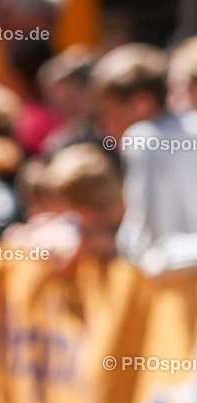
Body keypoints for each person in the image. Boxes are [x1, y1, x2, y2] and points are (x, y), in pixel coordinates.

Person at [93, 43, 197, 275]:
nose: (104, 127)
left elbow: (149, 243)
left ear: (142, 102)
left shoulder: (144, 139)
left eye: (110, 112)